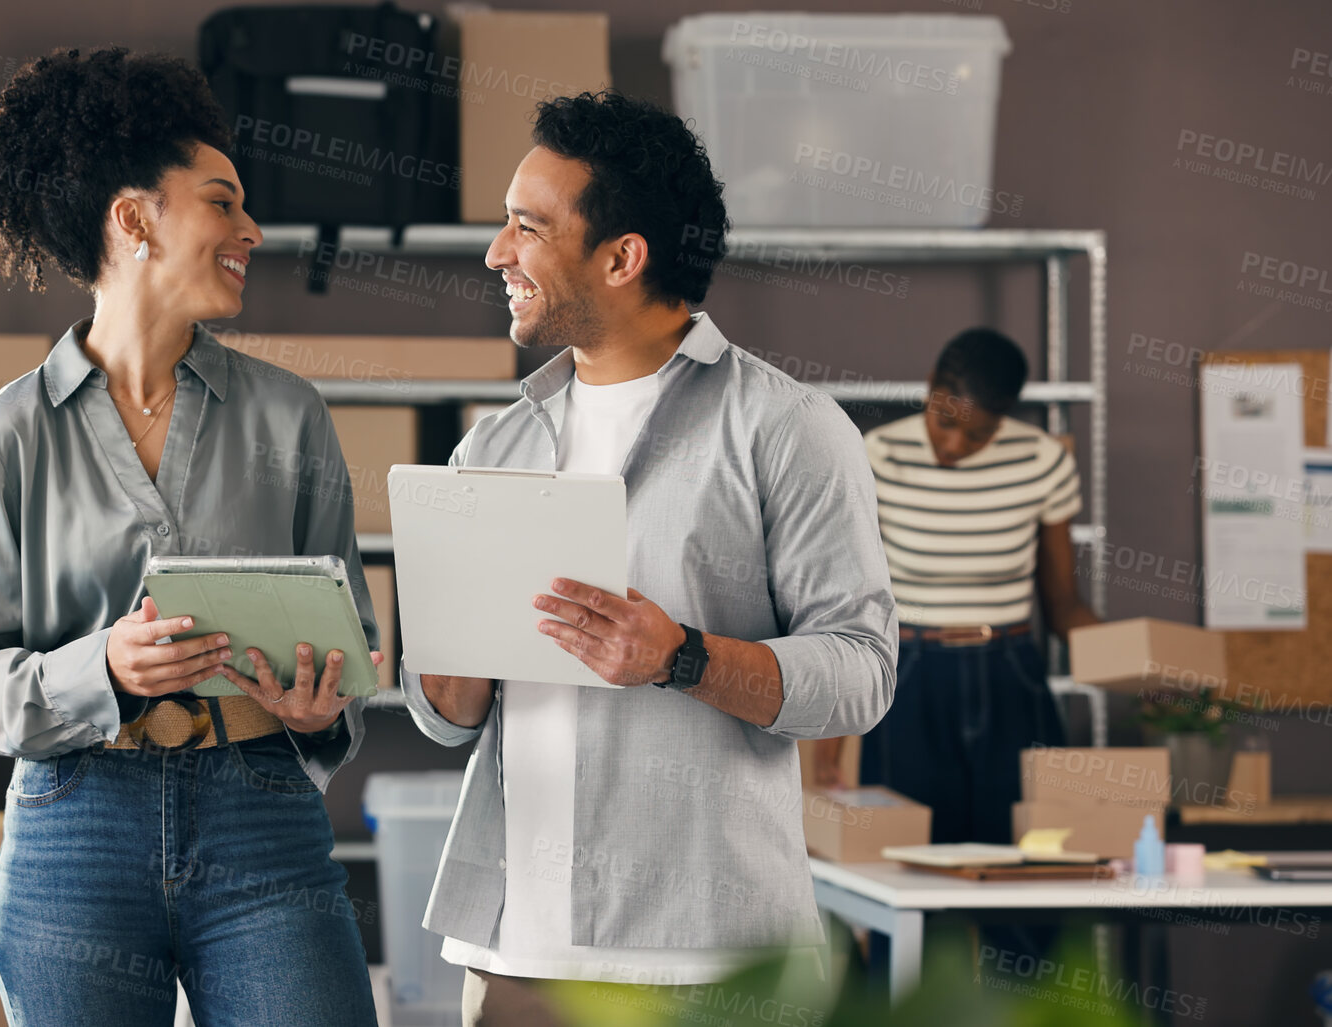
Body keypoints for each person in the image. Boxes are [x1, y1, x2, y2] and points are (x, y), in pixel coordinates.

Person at [401, 90, 897, 1025]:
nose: (495, 253)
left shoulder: (787, 429)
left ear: (622, 257)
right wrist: (449, 678)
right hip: (513, 952)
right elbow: (446, 720)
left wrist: (680, 657)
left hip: (712, 958)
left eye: (525, 227)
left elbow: (862, 674)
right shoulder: (489, 448)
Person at [0, 47, 381, 1027]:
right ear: (134, 219)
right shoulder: (3, 438)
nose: (252, 229)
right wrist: (106, 667)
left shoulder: (292, 419)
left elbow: (350, 642)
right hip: (74, 824)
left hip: (262, 815)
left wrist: (316, 708)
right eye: (223, 203)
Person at [813, 328, 1098, 844]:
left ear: (1005, 416)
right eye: (945, 421)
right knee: (903, 860)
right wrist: (828, 743)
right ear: (929, 390)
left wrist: (1146, 672)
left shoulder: (1042, 461)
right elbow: (847, 604)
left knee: (1029, 856)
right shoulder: (876, 455)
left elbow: (1063, 607)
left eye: (977, 435)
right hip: (909, 672)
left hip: (1009, 674)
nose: (952, 445)